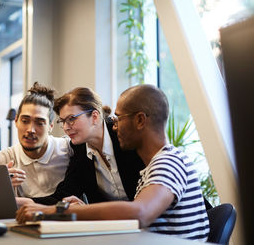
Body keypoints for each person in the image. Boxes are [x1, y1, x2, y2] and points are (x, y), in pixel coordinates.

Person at [16, 84, 210, 242]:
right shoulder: (153, 167)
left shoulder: (168, 162)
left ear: (140, 120)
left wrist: (57, 210)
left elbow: (139, 212)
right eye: (62, 122)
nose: (114, 124)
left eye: (119, 118)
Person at [32, 87, 145, 205]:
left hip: (146, 217)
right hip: (109, 222)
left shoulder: (123, 135)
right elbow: (64, 195)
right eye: (63, 121)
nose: (66, 127)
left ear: (94, 116)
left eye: (71, 119)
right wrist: (23, 202)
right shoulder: (79, 149)